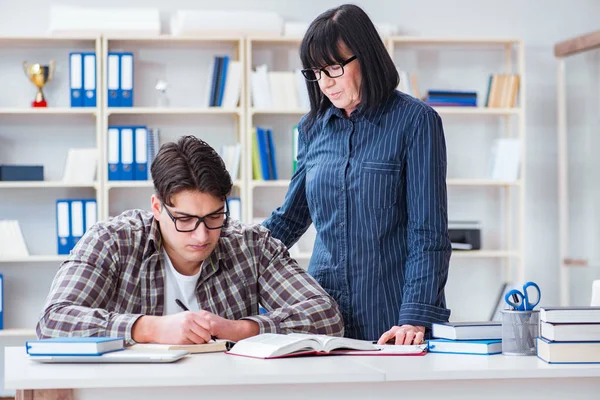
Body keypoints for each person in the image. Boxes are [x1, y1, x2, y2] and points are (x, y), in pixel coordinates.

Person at [262, 4, 451, 345]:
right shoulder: (312, 129)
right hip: (323, 313)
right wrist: (227, 253)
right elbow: (289, 220)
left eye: (333, 68)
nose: (325, 83)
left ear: (366, 57)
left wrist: (414, 316)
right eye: (315, 72)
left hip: (393, 316)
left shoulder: (416, 122)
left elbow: (429, 233)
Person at [37, 136, 344, 344]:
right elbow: (52, 322)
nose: (202, 235)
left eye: (214, 216)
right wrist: (150, 328)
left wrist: (239, 329)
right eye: (184, 220)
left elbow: (326, 315)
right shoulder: (112, 241)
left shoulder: (251, 245)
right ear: (157, 208)